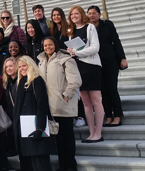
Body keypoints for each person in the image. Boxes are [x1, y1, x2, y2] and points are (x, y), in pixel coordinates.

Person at [38, 37, 82, 171]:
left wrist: (66, 95)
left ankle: (70, 166)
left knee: (67, 137)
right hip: (50, 106)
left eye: (50, 44)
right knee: (58, 139)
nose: (47, 47)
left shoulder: (66, 59)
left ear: (55, 45)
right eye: (45, 45)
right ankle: (63, 166)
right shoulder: (41, 61)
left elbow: (75, 80)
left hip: (63, 104)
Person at [68, 6, 104, 143]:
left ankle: (98, 133)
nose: (74, 16)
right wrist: (71, 51)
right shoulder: (71, 32)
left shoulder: (90, 27)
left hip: (92, 66)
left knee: (95, 100)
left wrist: (77, 52)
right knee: (85, 102)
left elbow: (95, 48)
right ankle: (91, 132)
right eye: (71, 14)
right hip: (78, 68)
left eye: (76, 14)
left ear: (82, 14)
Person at [88, 5, 128, 127]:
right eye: (89, 13)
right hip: (96, 62)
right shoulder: (88, 28)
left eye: (94, 13)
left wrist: (122, 57)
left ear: (99, 14)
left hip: (110, 60)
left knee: (112, 88)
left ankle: (117, 116)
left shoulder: (106, 24)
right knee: (103, 91)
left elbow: (116, 40)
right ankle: (108, 116)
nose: (92, 15)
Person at [13, 56, 55, 171]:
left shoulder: (37, 81)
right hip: (24, 130)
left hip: (36, 128)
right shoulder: (21, 81)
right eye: (19, 67)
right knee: (29, 164)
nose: (21, 68)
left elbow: (42, 106)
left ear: (30, 65)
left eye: (24, 66)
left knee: (40, 164)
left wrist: (40, 128)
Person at [1, 57, 18, 157]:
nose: (8, 68)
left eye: (11, 66)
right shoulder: (7, 82)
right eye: (6, 67)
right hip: (11, 114)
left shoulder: (20, 81)